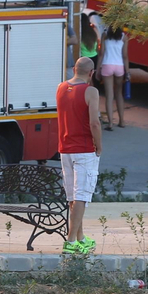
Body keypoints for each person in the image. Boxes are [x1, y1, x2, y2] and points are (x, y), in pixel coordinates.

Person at [55, 56, 102, 254]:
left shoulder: (61, 87)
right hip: (84, 149)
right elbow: (94, 123)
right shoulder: (91, 91)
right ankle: (71, 241)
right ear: (91, 73)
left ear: (74, 69)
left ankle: (80, 237)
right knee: (82, 195)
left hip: (65, 149)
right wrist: (98, 146)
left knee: (73, 196)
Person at [99, 26, 127, 129]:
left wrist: (98, 68)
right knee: (119, 94)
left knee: (109, 95)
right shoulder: (124, 37)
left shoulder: (105, 35)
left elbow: (101, 53)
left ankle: (110, 123)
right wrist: (127, 71)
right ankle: (122, 121)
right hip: (119, 66)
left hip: (107, 65)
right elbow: (125, 56)